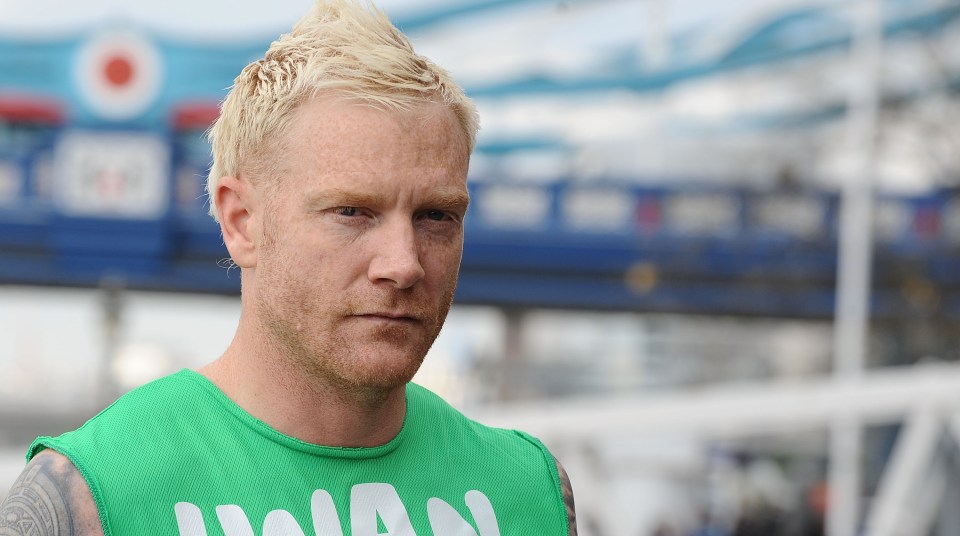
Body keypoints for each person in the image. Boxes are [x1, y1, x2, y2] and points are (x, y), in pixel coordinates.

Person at [0, 1, 577, 534]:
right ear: (242, 221)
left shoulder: (528, 490)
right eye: (352, 211)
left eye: (436, 216)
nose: (403, 265)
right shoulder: (97, 496)